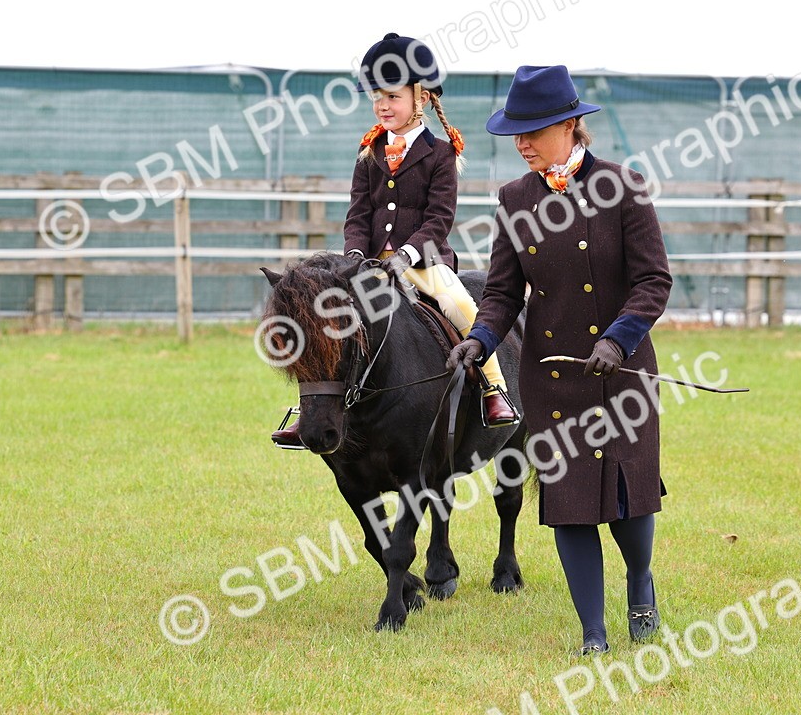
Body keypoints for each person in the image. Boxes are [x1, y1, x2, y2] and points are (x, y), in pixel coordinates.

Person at [447, 65, 673, 653]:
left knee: (627, 500)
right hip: (552, 381)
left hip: (622, 376)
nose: (521, 144)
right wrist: (480, 339)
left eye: (533, 131)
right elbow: (501, 293)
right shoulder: (513, 200)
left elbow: (654, 281)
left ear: (571, 125)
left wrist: (619, 338)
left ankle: (640, 582)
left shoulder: (624, 187)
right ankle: (593, 634)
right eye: (515, 134)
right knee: (570, 507)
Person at [271, 34, 517, 447]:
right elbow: (358, 213)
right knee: (327, 324)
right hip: (366, 265)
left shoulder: (440, 154)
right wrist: (353, 255)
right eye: (376, 98)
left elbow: (439, 218)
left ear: (419, 97)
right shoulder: (369, 152)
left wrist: (404, 255)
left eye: (392, 97)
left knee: (461, 305)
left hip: (423, 263)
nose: (382, 105)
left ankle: (494, 390)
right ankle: (311, 410)